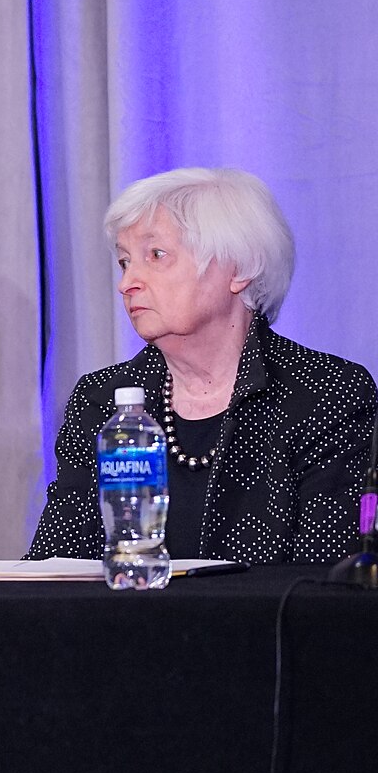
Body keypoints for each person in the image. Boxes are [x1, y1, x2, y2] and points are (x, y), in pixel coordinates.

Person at [29, 167, 375, 563]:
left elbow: (324, 579)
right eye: (125, 262)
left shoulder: (325, 392)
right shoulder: (101, 400)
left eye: (156, 255)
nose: (127, 284)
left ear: (240, 269)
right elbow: (53, 567)